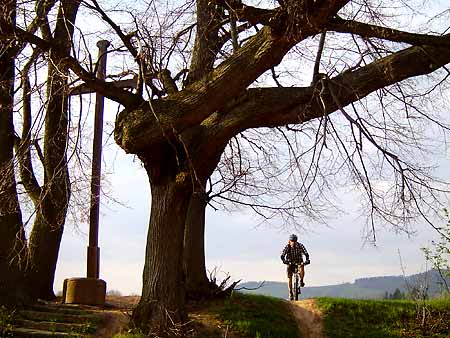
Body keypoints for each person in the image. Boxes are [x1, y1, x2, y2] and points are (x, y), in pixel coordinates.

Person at [280, 234, 310, 300]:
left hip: (299, 261)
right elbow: (282, 255)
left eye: (294, 241)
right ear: (289, 241)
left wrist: (307, 260)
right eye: (292, 241)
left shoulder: (300, 245)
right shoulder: (287, 246)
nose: (293, 242)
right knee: (289, 277)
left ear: (296, 241)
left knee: (302, 266)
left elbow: (306, 253)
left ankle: (301, 280)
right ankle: (290, 292)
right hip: (290, 262)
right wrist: (284, 260)